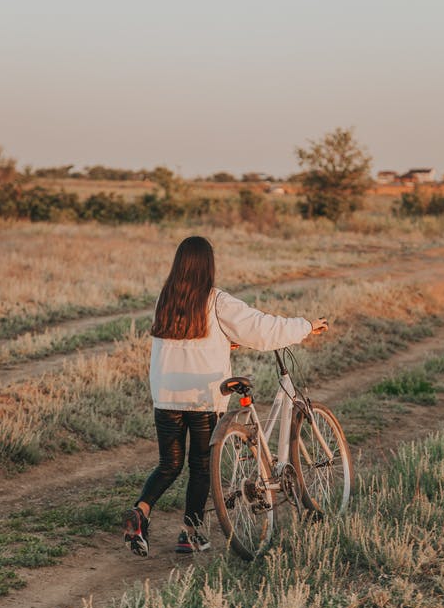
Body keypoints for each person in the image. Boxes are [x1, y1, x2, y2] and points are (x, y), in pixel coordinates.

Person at [123, 235, 328, 556]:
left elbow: (186, 339)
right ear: (208, 266)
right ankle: (189, 532)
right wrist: (305, 326)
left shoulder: (165, 300)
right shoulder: (215, 300)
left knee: (169, 464)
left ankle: (141, 511)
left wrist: (222, 342)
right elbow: (261, 328)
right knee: (201, 466)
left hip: (165, 396)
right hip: (202, 397)